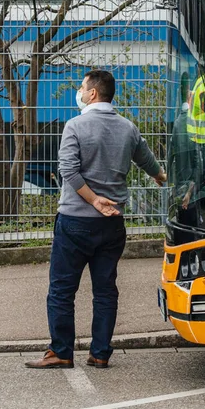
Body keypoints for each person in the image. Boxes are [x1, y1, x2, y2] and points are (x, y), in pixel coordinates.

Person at [25, 69, 167, 370]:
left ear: (92, 93)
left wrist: (93, 200)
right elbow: (146, 160)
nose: (79, 91)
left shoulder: (75, 126)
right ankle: (100, 352)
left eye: (81, 87)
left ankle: (61, 351)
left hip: (75, 221)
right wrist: (160, 177)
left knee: (62, 291)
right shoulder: (128, 128)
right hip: (112, 224)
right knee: (105, 291)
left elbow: (69, 171)